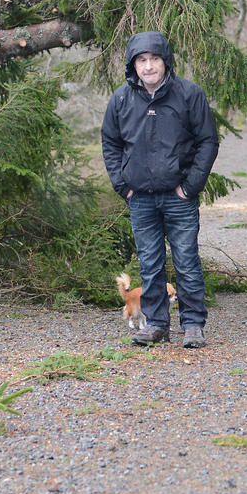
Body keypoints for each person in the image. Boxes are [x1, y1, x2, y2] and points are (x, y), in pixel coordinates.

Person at [102, 31, 219, 348]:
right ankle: (155, 324)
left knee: (187, 261)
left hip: (178, 196)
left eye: (154, 59)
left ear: (165, 62)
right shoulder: (122, 99)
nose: (149, 66)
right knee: (150, 265)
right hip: (140, 198)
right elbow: (110, 143)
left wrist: (190, 186)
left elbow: (208, 141)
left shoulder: (188, 94)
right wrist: (123, 186)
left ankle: (193, 324)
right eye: (142, 60)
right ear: (133, 64)